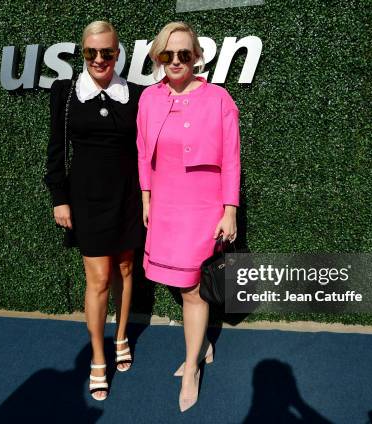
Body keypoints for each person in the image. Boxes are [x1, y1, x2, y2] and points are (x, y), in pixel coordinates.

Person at [136, 21, 241, 412]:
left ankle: (193, 366)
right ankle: (204, 344)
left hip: (203, 207)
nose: (176, 60)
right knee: (182, 285)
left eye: (184, 53)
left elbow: (231, 159)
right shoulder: (149, 99)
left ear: (196, 56)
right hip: (165, 205)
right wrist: (146, 198)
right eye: (168, 54)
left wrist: (229, 211)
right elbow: (142, 149)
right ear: (158, 58)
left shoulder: (219, 98)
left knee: (194, 289)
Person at [44, 20, 143, 401]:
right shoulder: (65, 93)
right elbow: (56, 150)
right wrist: (59, 197)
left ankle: (121, 337)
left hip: (128, 196)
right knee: (99, 278)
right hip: (85, 198)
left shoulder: (136, 94)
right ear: (83, 53)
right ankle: (97, 358)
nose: (100, 59)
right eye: (92, 52)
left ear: (118, 54)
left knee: (125, 267)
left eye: (107, 52)